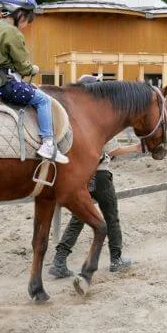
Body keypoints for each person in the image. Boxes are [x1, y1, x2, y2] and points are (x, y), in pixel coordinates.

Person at [49, 76, 140, 277]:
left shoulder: (72, 118)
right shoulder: (97, 120)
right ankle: (116, 259)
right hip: (100, 175)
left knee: (79, 218)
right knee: (111, 217)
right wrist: (135, 147)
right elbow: (113, 149)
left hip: (82, 176)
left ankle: (59, 260)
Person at [0, 0, 68, 164]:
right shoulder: (12, 32)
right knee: (43, 100)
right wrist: (33, 69)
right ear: (17, 13)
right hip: (4, 85)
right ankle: (48, 143)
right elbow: (23, 66)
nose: (27, 22)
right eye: (27, 17)